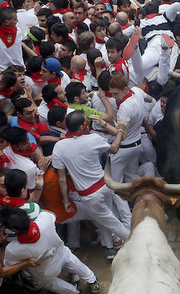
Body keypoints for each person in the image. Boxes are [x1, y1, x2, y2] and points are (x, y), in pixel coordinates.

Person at [52, 110, 131, 261]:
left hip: (89, 195)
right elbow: (114, 149)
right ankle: (114, 246)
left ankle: (128, 242)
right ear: (82, 126)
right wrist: (119, 131)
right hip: (105, 185)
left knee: (109, 221)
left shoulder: (59, 147)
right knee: (109, 220)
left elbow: (61, 179)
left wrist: (65, 201)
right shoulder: (94, 138)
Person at [0, 205, 102, 294]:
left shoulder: (14, 248)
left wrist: (2, 243)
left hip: (45, 270)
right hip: (61, 252)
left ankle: (74, 292)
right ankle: (93, 281)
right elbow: (52, 215)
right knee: (74, 262)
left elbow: (7, 264)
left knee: (49, 283)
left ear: (12, 229)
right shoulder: (45, 220)